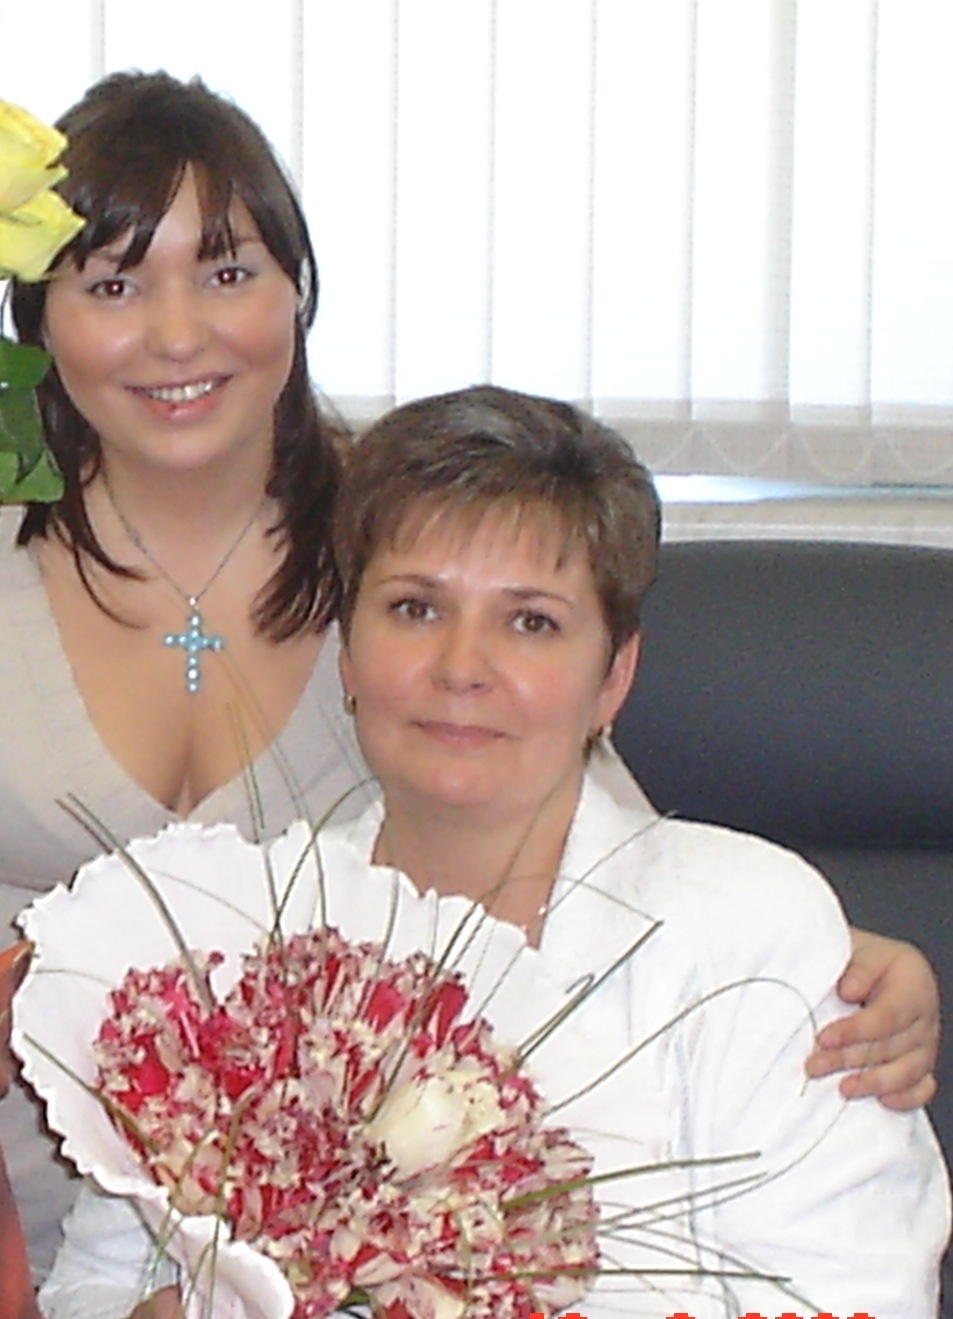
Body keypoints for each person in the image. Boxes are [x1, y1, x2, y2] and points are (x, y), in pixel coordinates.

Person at [0, 66, 939, 1293]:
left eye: (227, 272)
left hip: (332, 1217)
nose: (178, 333)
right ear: (38, 316)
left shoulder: (413, 534)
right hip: (63, 1222)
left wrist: (818, 959)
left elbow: (571, 834)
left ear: (296, 292)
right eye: (113, 282)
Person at [37, 385, 949, 1318]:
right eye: (415, 608)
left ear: (613, 676)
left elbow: (860, 1297)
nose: (462, 667)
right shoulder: (234, 940)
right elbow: (94, 1283)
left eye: (530, 621)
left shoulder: (750, 932)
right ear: (347, 653)